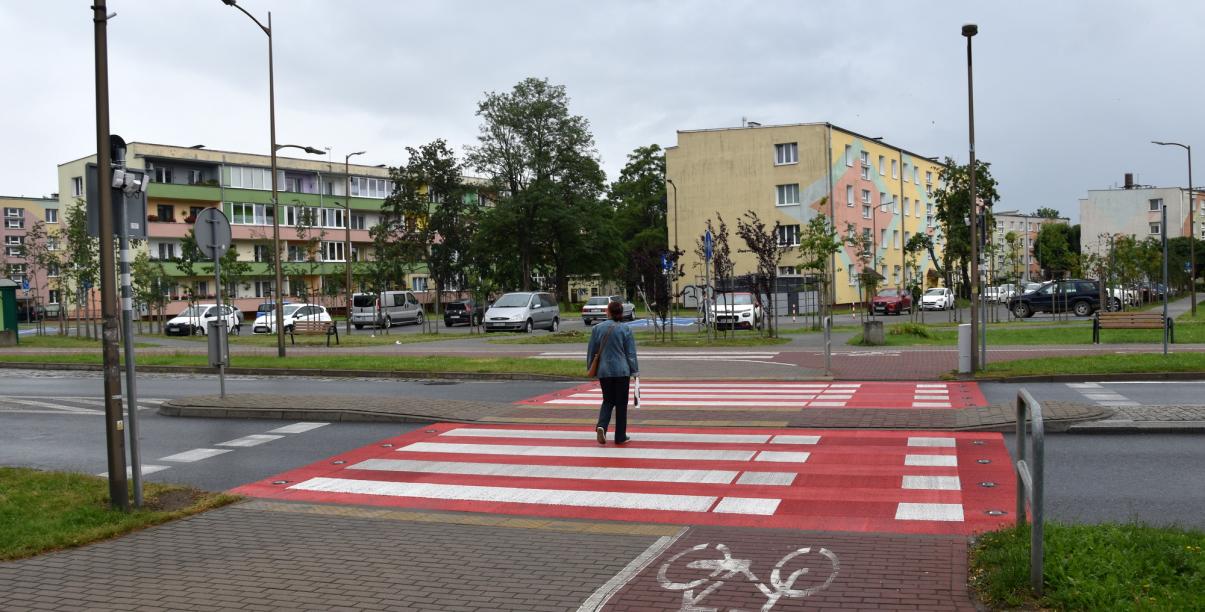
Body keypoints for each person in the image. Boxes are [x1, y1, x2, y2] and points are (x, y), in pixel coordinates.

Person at [586, 300, 639, 445]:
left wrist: (590, 367)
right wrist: (635, 371)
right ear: (621, 313)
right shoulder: (625, 329)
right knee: (621, 403)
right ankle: (620, 436)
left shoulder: (597, 329)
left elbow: (592, 350)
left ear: (608, 312)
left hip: (604, 371)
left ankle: (602, 426)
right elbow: (630, 353)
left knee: (608, 400)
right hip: (622, 371)